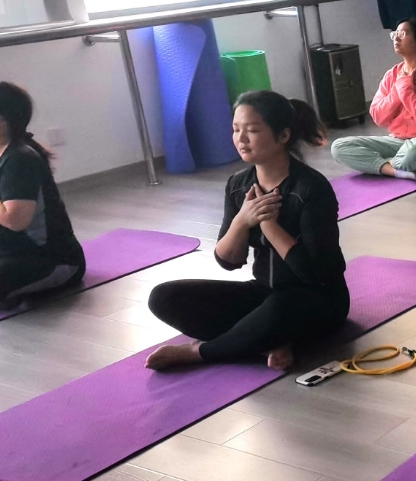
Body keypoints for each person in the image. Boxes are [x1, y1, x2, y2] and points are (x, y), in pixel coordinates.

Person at [145, 90, 348, 371]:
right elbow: (227, 261)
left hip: (317, 300)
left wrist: (268, 225)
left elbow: (317, 273)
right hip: (262, 293)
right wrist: (242, 220)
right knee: (164, 297)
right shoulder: (238, 185)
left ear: (283, 135)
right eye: (236, 129)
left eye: (252, 130)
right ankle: (265, 340)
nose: (241, 139)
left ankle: (202, 352)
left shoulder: (311, 188)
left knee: (279, 309)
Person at [0, 81, 85, 307]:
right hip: (0, 253)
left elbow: (15, 220)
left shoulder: (19, 159)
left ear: (2, 117)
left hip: (49, 259)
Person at [330, 18, 416, 179]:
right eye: (394, 34)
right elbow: (378, 117)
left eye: (402, 34)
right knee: (339, 147)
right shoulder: (392, 75)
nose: (396, 37)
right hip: (398, 142)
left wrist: (405, 89)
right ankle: (394, 169)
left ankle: (384, 163)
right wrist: (397, 91)